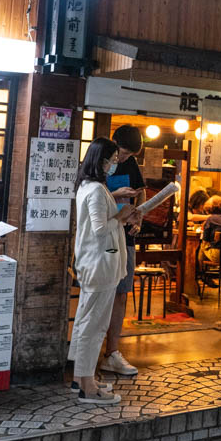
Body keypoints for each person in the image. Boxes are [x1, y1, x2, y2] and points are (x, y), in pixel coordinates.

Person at [69, 138, 137, 404]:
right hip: (100, 265)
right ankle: (87, 387)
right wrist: (121, 217)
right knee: (94, 326)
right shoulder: (96, 189)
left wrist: (121, 215)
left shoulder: (88, 186)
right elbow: (99, 230)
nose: (113, 165)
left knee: (87, 321)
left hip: (98, 260)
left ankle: (81, 379)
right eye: (111, 160)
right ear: (101, 161)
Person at [98, 124, 145, 377]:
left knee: (121, 292)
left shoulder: (130, 165)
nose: (124, 158)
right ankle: (92, 351)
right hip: (103, 237)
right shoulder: (99, 160)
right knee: (100, 291)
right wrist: (114, 194)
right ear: (113, 142)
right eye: (123, 153)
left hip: (125, 235)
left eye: (129, 155)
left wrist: (139, 215)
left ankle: (112, 352)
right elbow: (88, 194)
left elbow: (140, 191)